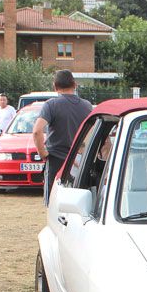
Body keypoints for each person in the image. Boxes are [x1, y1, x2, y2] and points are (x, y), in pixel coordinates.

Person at [34, 70, 93, 205]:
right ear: (75, 85)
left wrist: (42, 153)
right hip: (80, 160)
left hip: (56, 159)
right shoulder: (87, 106)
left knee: (54, 201)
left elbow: (37, 131)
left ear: (55, 86)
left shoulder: (51, 105)